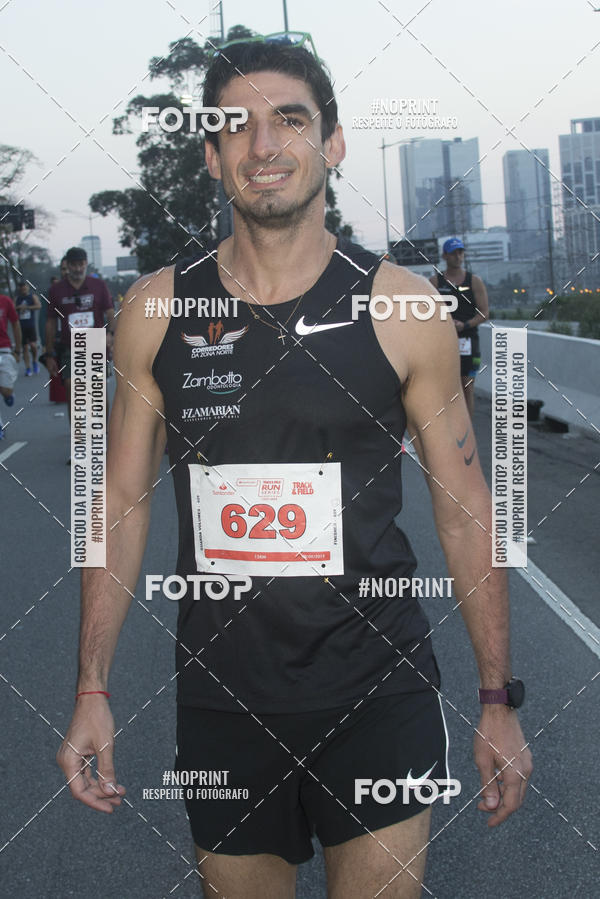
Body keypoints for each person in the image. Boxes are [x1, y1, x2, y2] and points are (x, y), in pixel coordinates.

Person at [57, 39, 532, 898]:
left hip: (378, 690)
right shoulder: (156, 310)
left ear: (333, 143)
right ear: (211, 154)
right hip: (224, 700)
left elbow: (466, 508)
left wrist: (497, 699)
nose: (264, 145)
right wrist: (92, 686)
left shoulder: (402, 307)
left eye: (289, 120)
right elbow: (118, 502)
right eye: (236, 126)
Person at [43, 247, 114, 461]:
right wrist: (48, 353)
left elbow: (110, 312)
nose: (77, 268)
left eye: (81, 264)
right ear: (67, 266)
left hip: (95, 344)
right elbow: (50, 322)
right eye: (73, 264)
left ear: (86, 264)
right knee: (72, 389)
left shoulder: (98, 286)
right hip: (70, 347)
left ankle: (101, 437)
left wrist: (111, 334)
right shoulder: (56, 290)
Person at [429, 238, 489, 417]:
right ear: (445, 256)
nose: (458, 256)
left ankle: (467, 427)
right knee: (446, 387)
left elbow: (484, 313)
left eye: (460, 252)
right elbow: (426, 312)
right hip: (443, 341)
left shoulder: (474, 281)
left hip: (468, 340)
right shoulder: (435, 282)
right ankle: (448, 425)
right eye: (453, 253)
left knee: (467, 386)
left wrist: (465, 325)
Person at [0, 292, 22, 439]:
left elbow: (15, 323)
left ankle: (8, 393)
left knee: (6, 391)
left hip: (4, 349)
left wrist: (18, 350)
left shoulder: (5, 301)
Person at [15, 281, 41, 375]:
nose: (23, 290)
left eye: (25, 288)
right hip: (21, 326)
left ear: (28, 288)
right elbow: (13, 308)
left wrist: (27, 307)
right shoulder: (17, 298)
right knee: (25, 347)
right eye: (22, 288)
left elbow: (39, 306)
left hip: (31, 325)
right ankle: (28, 368)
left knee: (33, 345)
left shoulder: (32, 297)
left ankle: (34, 361)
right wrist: (18, 308)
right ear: (19, 289)